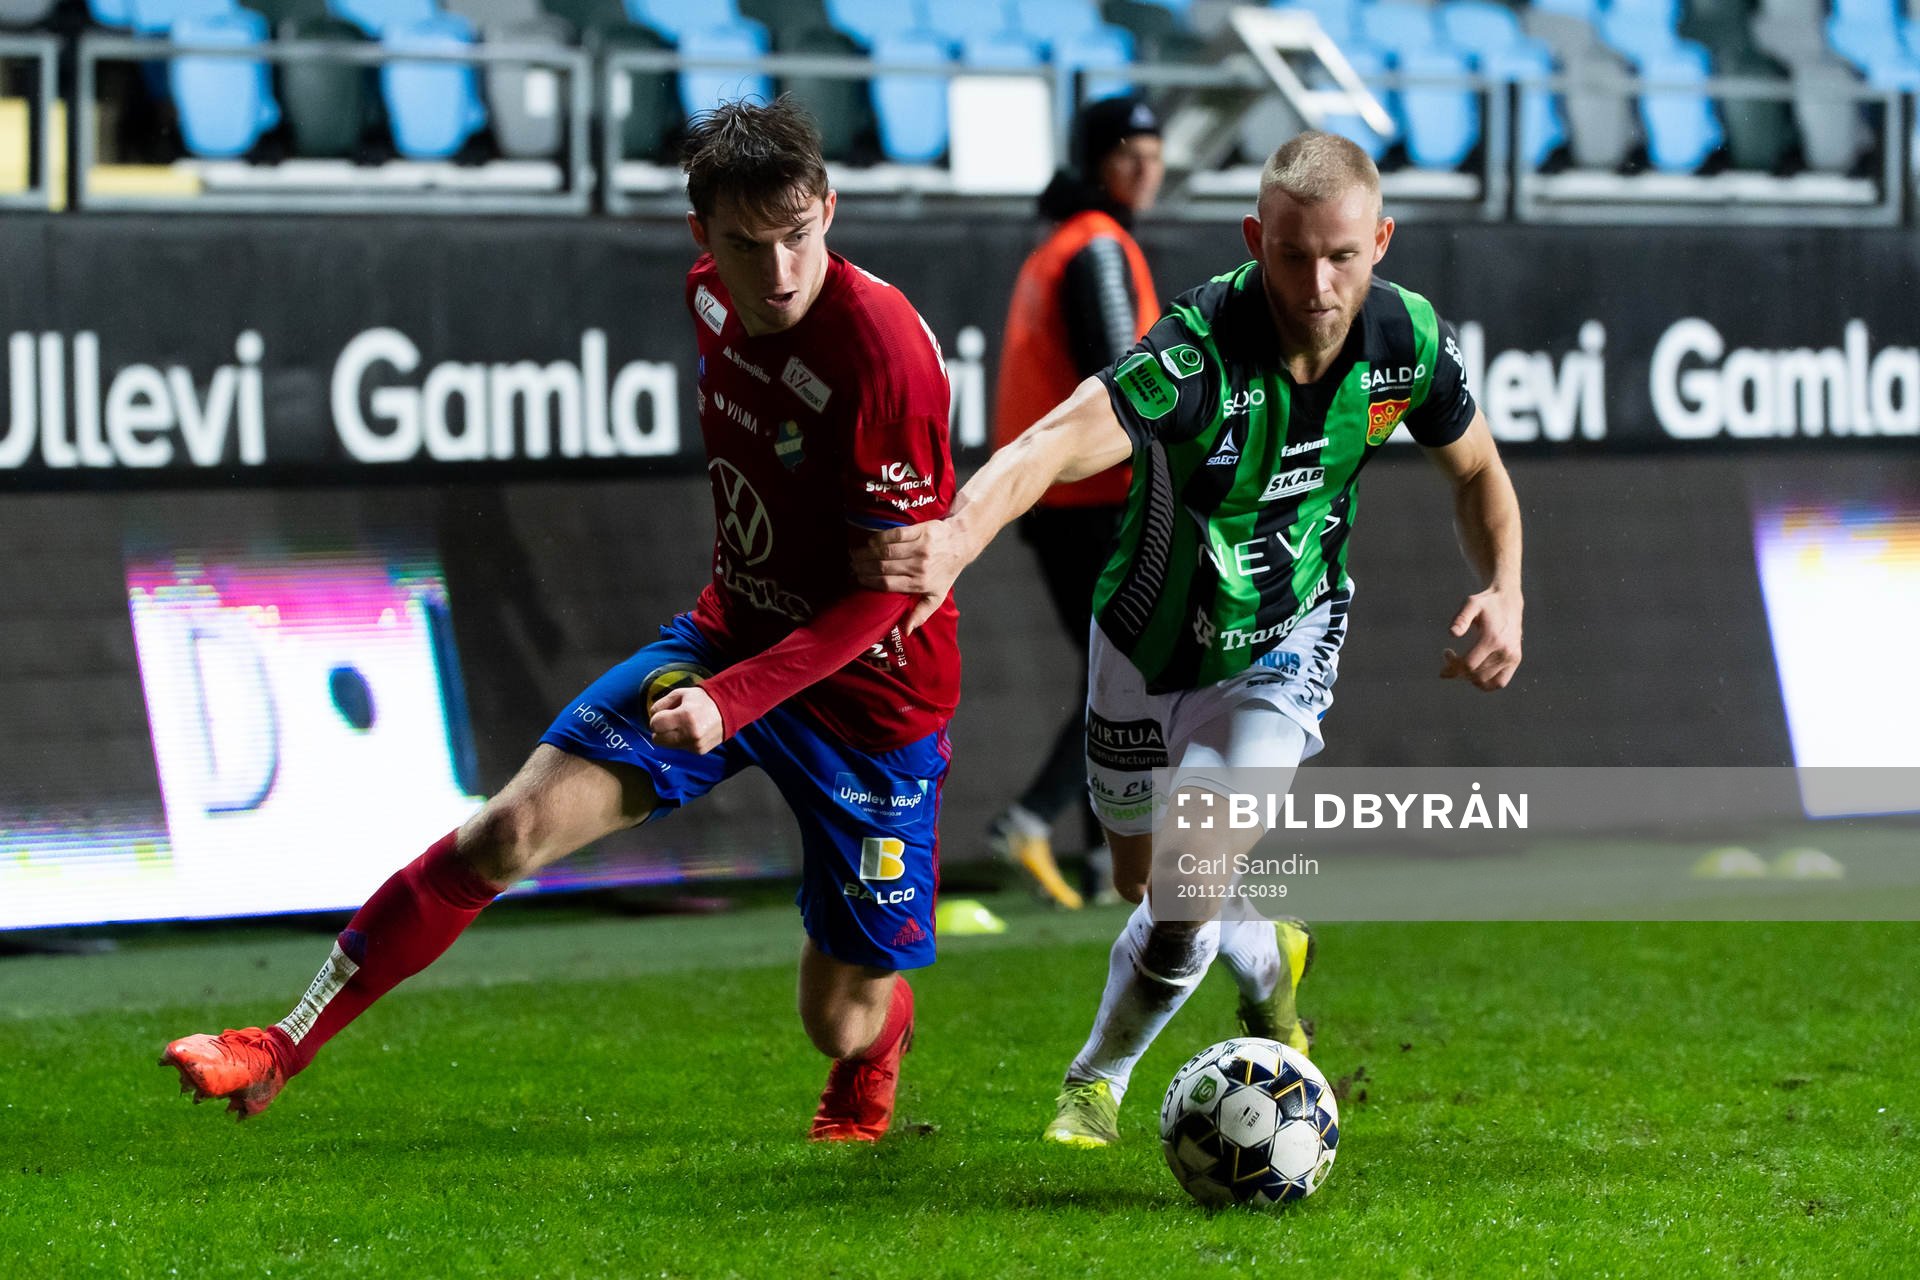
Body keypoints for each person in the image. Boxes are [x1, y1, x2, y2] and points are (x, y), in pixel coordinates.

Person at [160, 97, 962, 1145]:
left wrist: (733, 698)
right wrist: (724, 675)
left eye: (799, 238)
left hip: (871, 698)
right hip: (729, 638)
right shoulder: (710, 302)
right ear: (700, 239)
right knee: (510, 827)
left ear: (829, 208)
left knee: (837, 1017)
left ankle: (877, 1047)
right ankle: (280, 1041)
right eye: (745, 245)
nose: (776, 274)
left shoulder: (881, 356)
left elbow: (892, 589)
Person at [855, 131, 1524, 1147]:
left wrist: (1505, 587)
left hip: (1285, 644)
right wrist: (954, 535)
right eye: (1293, 255)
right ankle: (1271, 959)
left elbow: (1477, 472)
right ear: (1257, 239)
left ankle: (1094, 1083)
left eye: (1342, 255)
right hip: (1143, 642)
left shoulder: (1406, 343)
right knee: (1147, 880)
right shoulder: (1197, 353)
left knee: (1184, 886)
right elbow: (1050, 441)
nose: (1318, 281)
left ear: (1380, 240)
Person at [986, 95, 1165, 912]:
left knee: (1119, 675)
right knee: (1134, 677)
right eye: (1129, 149)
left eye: (1154, 149)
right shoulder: (1096, 246)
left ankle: (1103, 865)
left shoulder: (1061, 245)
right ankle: (1035, 820)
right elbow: (1126, 378)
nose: (1146, 165)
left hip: (1060, 499)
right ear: (1097, 160)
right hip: (1099, 495)